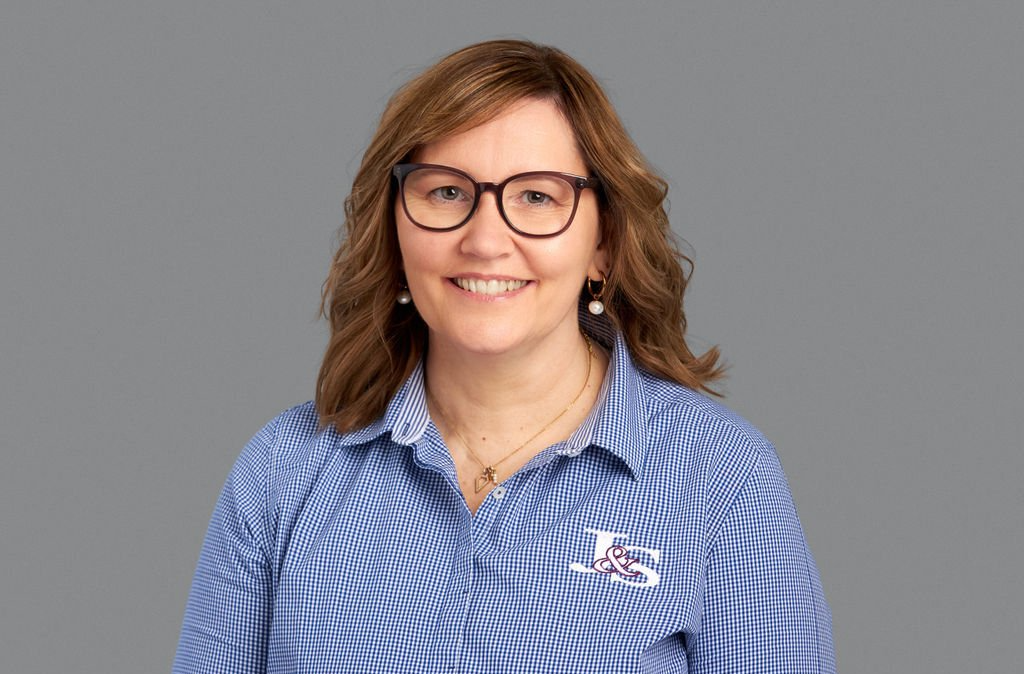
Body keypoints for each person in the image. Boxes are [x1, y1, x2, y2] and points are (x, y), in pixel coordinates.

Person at [174, 39, 835, 673]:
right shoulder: (283, 473)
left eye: (538, 196)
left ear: (603, 245)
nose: (486, 240)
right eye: (447, 192)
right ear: (395, 227)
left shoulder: (720, 481)